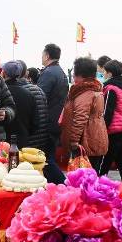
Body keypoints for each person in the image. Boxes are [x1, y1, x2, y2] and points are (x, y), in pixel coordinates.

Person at [60, 57, 107, 171]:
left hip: (86, 141)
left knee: (84, 179)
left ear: (79, 75)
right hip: (94, 137)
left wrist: (74, 141)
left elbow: (80, 118)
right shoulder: (93, 89)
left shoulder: (85, 93)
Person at [37, 43, 69, 184]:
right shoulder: (60, 72)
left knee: (45, 159)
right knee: (48, 157)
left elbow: (39, 97)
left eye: (43, 54)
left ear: (47, 55)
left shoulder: (49, 73)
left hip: (47, 121)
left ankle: (65, 184)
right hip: (56, 120)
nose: (42, 57)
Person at [2, 60, 49, 151]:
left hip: (2, 143)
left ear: (3, 73)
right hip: (23, 141)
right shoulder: (28, 94)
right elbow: (35, 123)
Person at [99, 59, 122, 177]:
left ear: (110, 73)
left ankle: (98, 185)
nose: (103, 74)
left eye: (104, 72)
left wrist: (102, 130)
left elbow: (107, 112)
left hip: (114, 130)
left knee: (105, 161)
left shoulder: (111, 89)